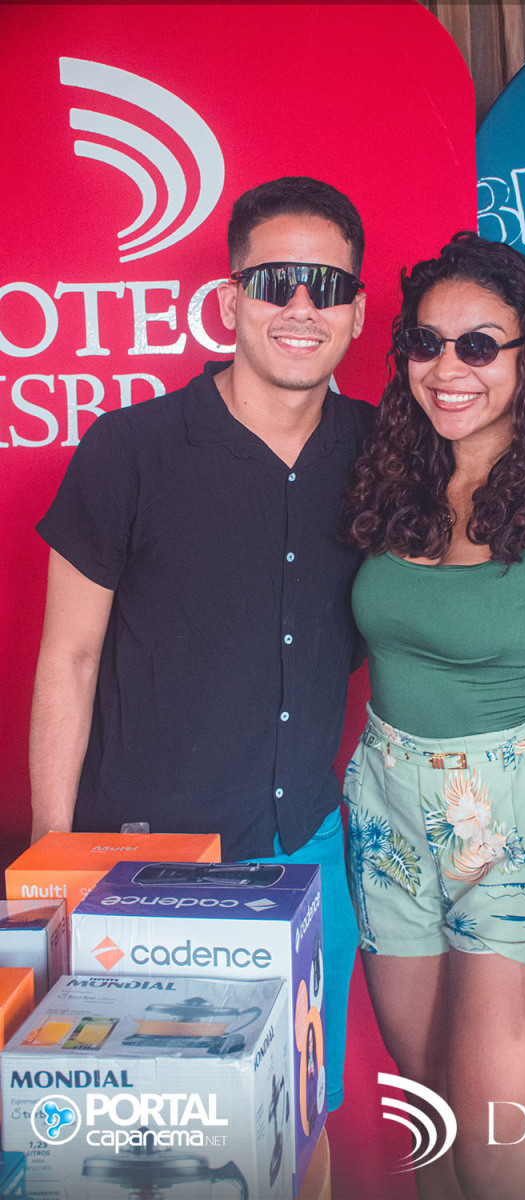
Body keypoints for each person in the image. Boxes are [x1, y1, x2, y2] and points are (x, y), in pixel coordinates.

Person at [28, 176, 372, 1111]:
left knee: (300, 1123)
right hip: (146, 859)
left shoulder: (382, 453)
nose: (300, 307)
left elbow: (469, 569)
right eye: (274, 282)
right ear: (229, 301)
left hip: (305, 847)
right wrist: (53, 865)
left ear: (355, 311)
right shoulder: (129, 449)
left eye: (326, 286)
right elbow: (68, 659)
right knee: (156, 1138)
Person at [340, 231, 525, 1199]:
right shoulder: (390, 487)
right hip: (384, 813)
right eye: (426, 344)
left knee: (491, 1155)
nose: (446, 369)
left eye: (477, 346)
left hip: (509, 833)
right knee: (433, 1130)